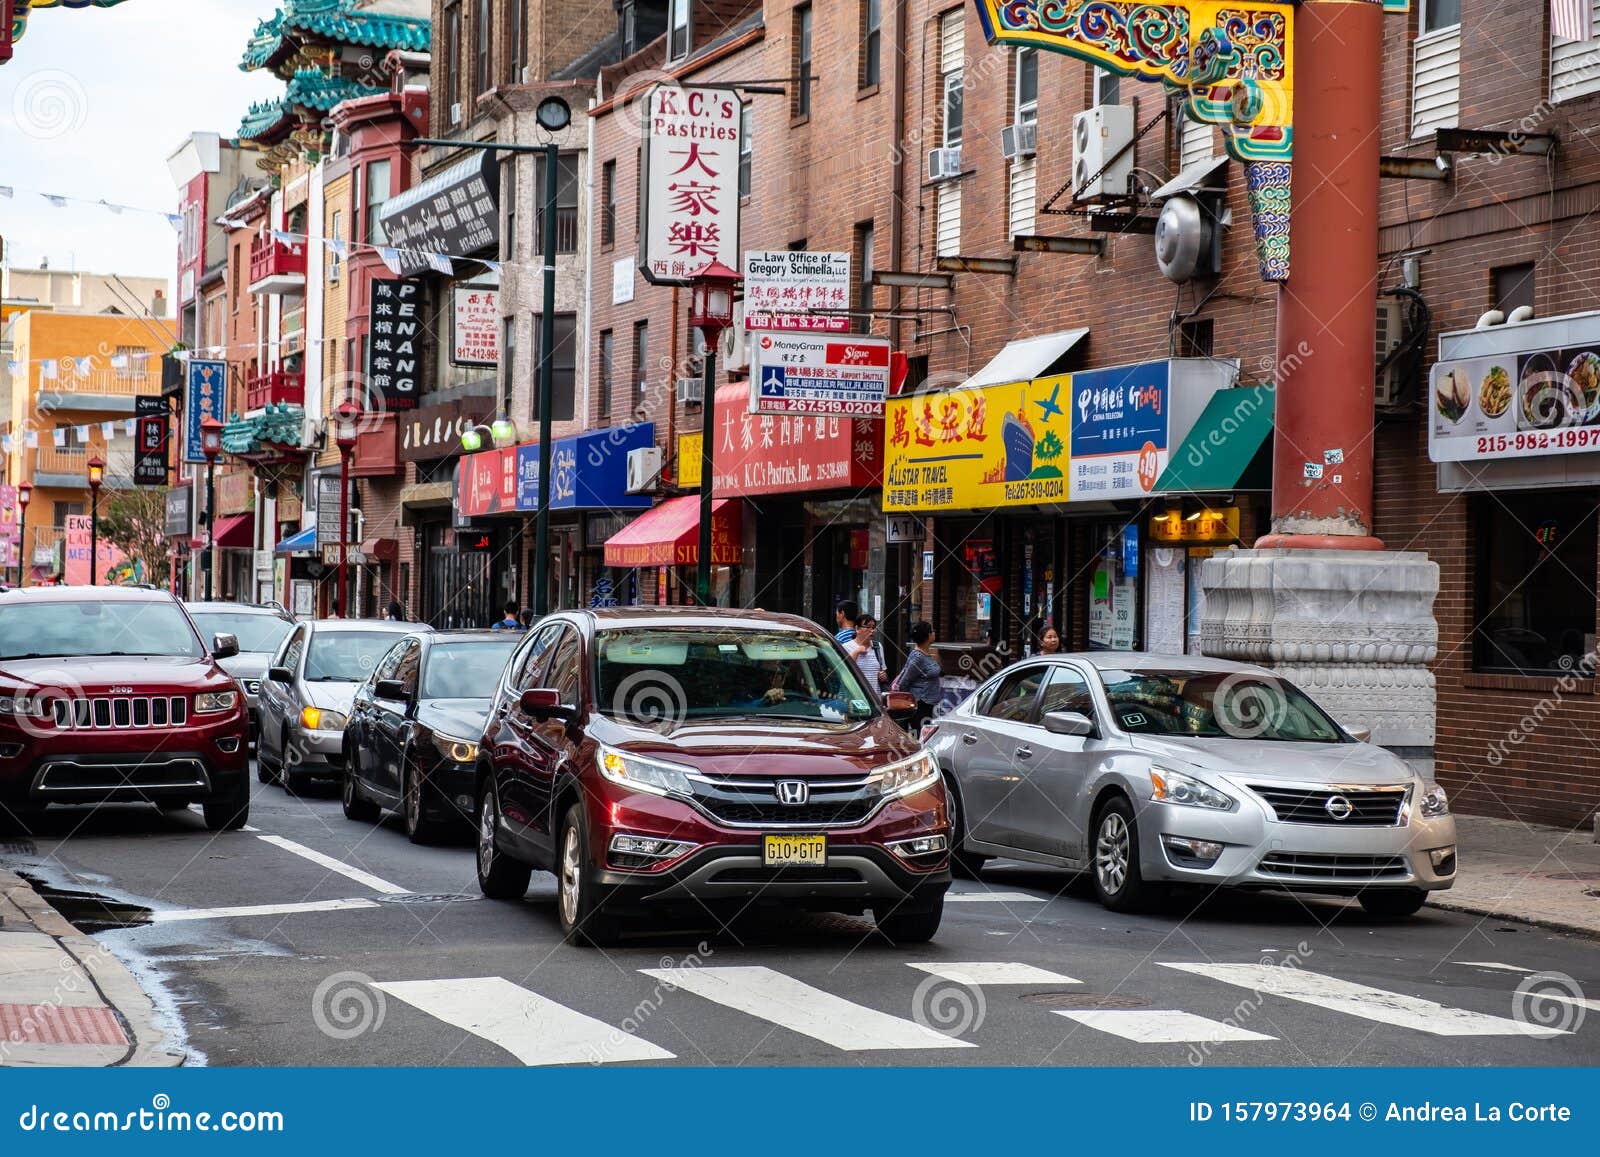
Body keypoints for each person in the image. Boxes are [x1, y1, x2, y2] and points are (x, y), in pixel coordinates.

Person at [893, 621, 943, 733]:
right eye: (932, 631)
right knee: (922, 737)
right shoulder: (918, 657)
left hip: (929, 703)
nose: (934, 633)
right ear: (928, 636)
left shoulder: (926, 654)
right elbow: (904, 681)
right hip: (920, 704)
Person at [847, 615, 889, 691]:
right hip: (855, 697)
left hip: (874, 697)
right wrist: (856, 652)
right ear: (857, 628)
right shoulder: (846, 647)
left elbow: (883, 670)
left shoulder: (878, 646)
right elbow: (844, 671)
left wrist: (883, 676)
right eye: (868, 627)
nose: (871, 630)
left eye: (873, 627)